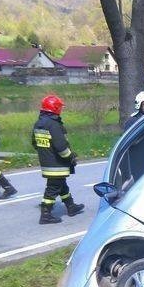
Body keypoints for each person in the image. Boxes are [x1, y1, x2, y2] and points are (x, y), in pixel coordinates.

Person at [32, 95, 85, 225]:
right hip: (57, 164)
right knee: (52, 189)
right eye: (59, 107)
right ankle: (45, 215)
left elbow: (34, 143)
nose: (60, 110)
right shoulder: (53, 124)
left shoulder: (39, 123)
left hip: (46, 162)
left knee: (61, 185)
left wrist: (46, 153)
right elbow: (61, 146)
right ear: (54, 108)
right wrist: (70, 156)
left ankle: (71, 207)